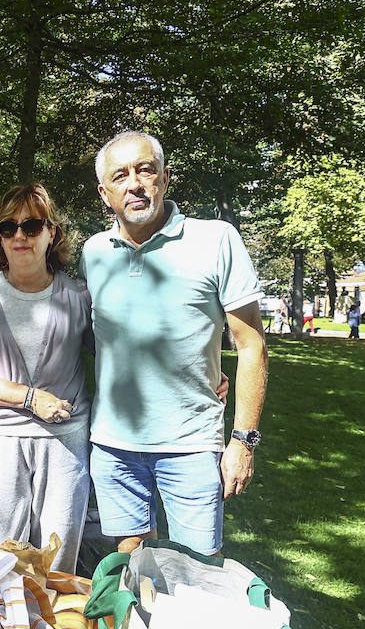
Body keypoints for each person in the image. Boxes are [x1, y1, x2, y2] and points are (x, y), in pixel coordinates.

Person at [83, 130, 268, 557]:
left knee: (200, 570)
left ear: (164, 178)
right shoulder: (94, 253)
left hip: (190, 445)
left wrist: (243, 440)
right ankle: (137, 627)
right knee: (130, 563)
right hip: (113, 445)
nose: (135, 184)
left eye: (145, 170)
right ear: (104, 192)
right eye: (121, 175)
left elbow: (251, 345)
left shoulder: (216, 240)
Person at [0, 184, 91, 572]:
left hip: (64, 445)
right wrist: (28, 398)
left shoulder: (78, 296)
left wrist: (196, 373)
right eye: (8, 228)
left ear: (51, 233)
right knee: (1, 563)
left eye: (31, 225)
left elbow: (120, 353)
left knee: (59, 564)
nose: (19, 237)